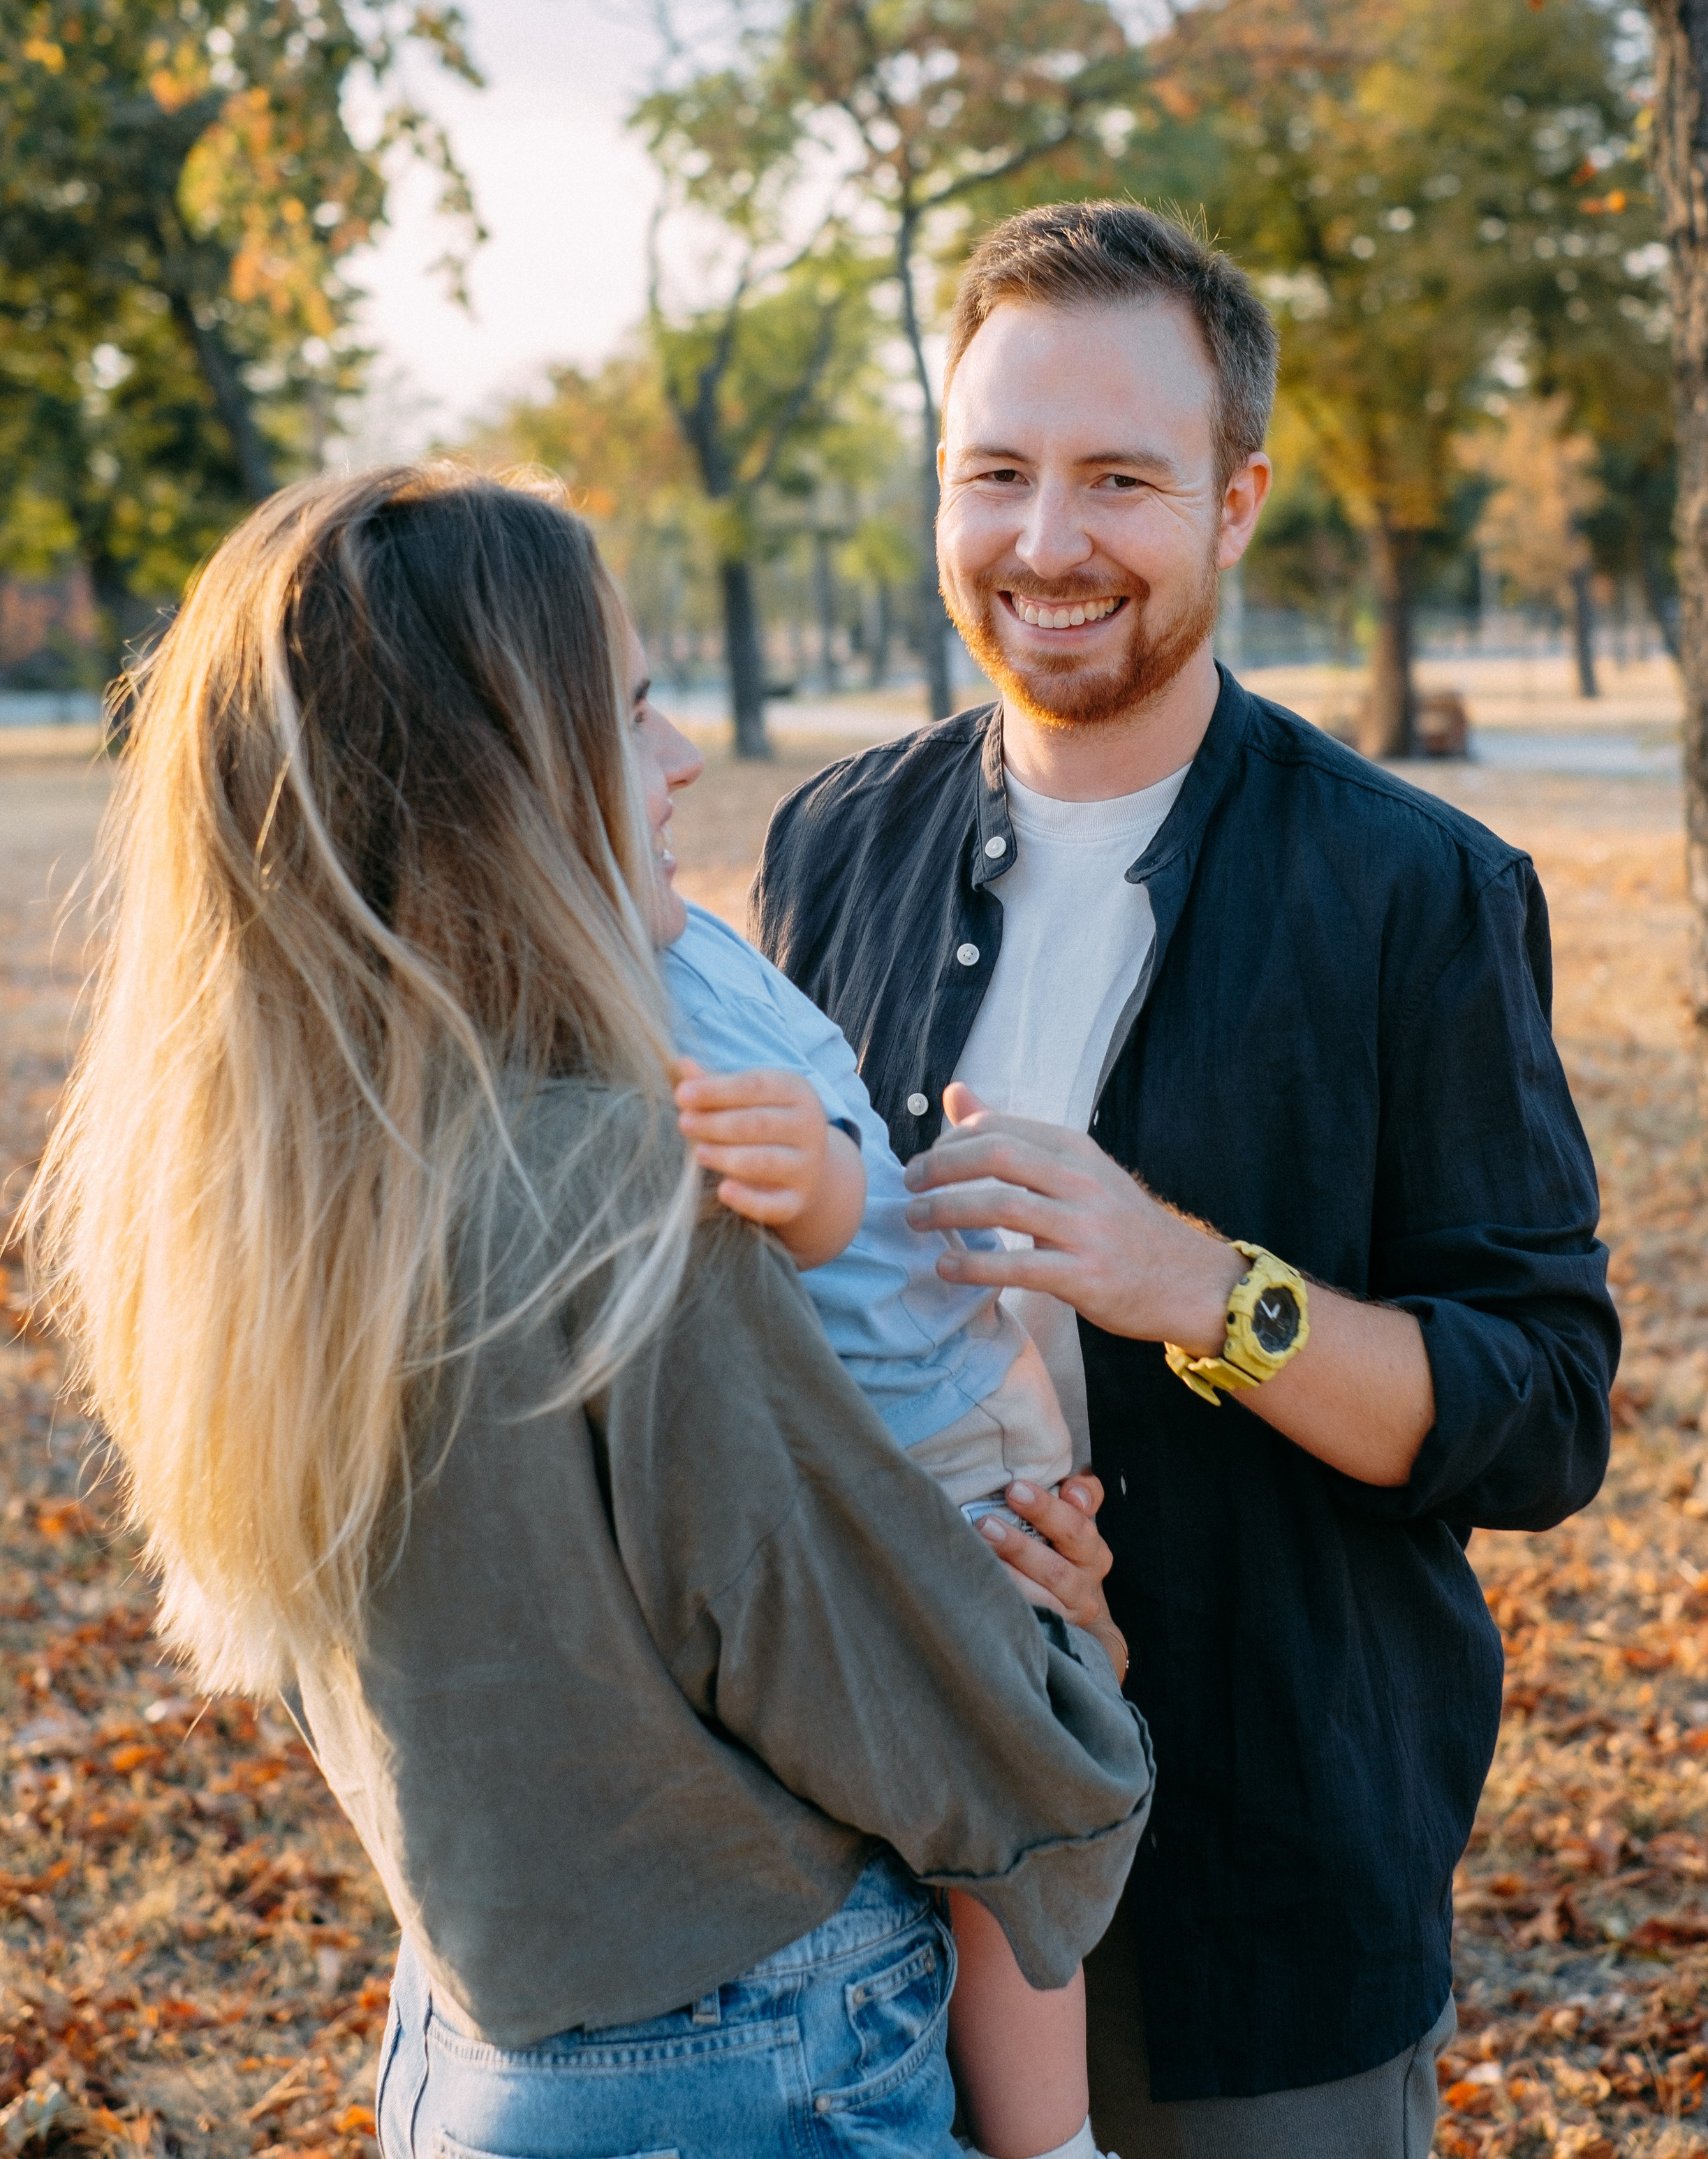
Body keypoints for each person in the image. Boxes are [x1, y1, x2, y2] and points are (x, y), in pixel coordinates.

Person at [27, 464, 1154, 2159]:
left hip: (472, 2036)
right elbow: (847, 1656)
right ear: (491, 786)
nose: (681, 755)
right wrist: (1070, 1671)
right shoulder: (625, 1183)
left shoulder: (275, 1194)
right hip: (755, 2050)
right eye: (625, 713)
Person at [752, 201, 1620, 2158]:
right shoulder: (830, 845)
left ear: (1234, 505)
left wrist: (1199, 1289)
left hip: (1260, 1885)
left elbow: (1544, 1412)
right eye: (995, 472)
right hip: (879, 1874)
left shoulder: (1417, 891)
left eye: (1119, 480)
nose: (1045, 542)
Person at [624, 621, 1120, 2159]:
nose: (683, 755)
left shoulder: (684, 946)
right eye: (630, 714)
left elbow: (828, 1166)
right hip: (900, 1422)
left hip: (949, 1407)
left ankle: (1047, 2135)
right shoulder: (613, 975)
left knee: (1016, 1782)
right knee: (982, 1789)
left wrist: (850, 1188)